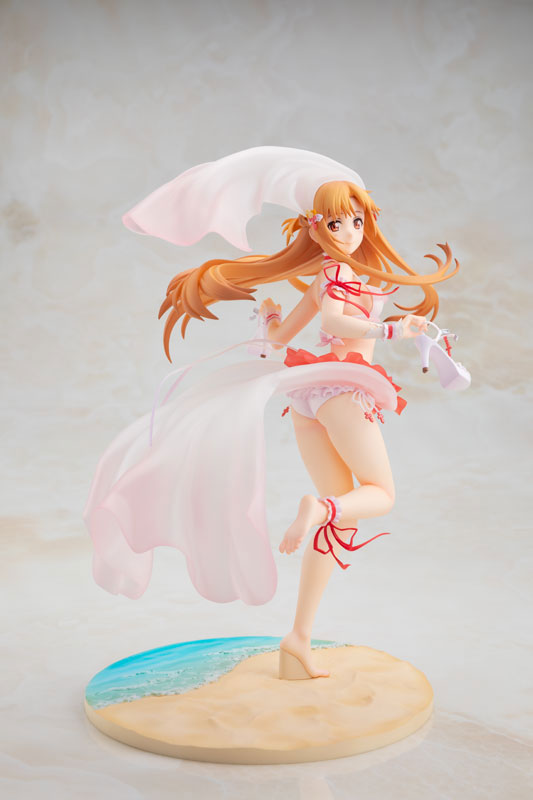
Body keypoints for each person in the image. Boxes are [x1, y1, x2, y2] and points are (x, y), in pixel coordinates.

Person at [84, 147, 460, 680]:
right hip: (343, 391)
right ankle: (316, 509)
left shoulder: (330, 273)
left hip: (310, 399)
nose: (350, 232)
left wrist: (267, 319)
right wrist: (393, 329)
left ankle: (297, 638)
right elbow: (336, 321)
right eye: (337, 223)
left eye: (357, 220)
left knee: (342, 517)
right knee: (381, 494)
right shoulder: (339, 274)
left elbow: (280, 339)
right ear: (316, 227)